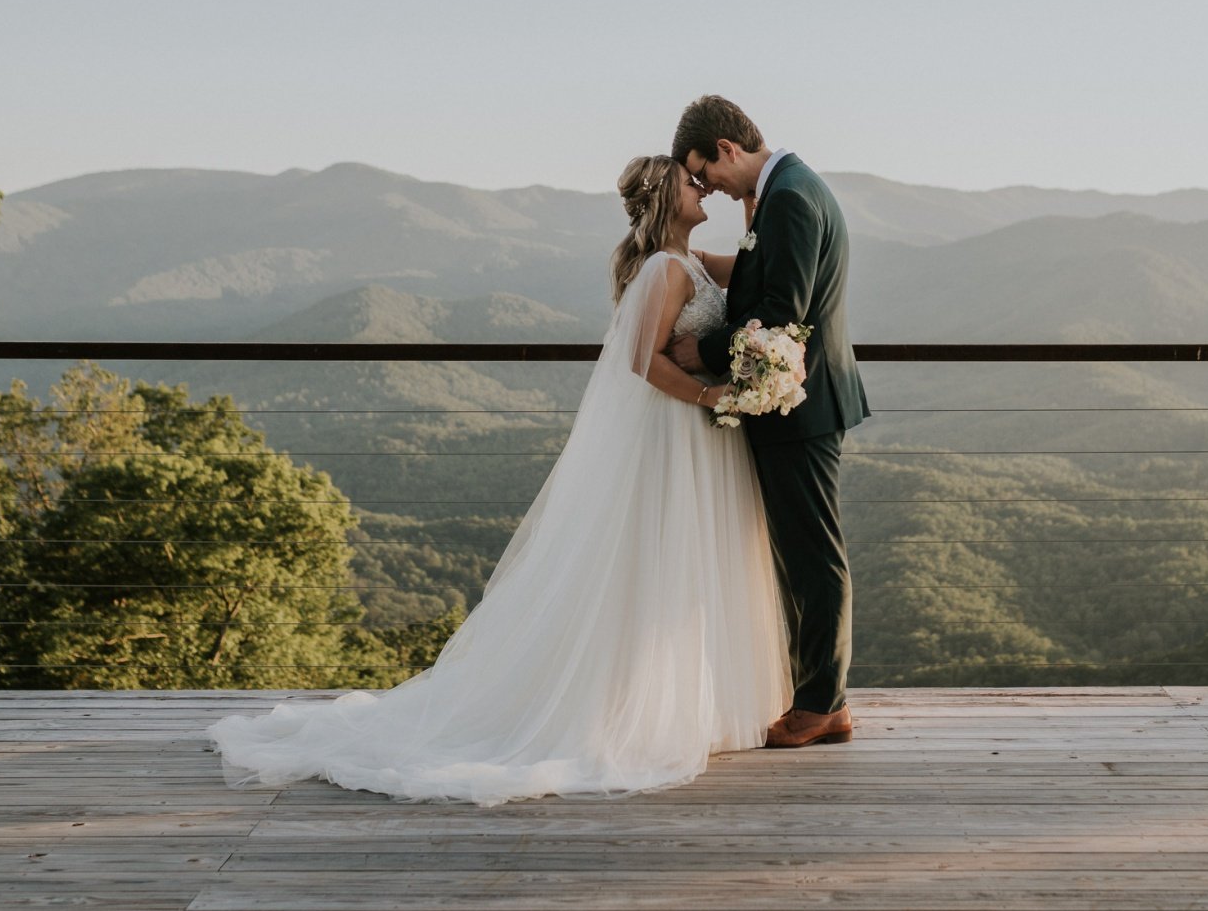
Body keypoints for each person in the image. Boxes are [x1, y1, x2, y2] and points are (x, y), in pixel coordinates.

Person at [205, 154, 789, 805]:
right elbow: (641, 360)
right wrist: (713, 399)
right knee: (653, 565)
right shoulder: (663, 269)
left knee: (685, 565)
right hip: (675, 434)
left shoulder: (690, 263)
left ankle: (686, 704)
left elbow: (758, 268)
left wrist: (753, 210)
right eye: (691, 181)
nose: (701, 185)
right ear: (663, 198)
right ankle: (634, 709)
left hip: (698, 444)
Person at [667, 95, 871, 749]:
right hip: (798, 403)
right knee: (799, 549)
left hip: (802, 407)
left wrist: (704, 349)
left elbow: (782, 318)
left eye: (707, 173)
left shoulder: (784, 199)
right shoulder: (785, 187)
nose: (711, 190)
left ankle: (821, 704)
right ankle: (816, 694)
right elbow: (762, 278)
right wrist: (683, 267)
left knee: (812, 553)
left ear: (728, 148)